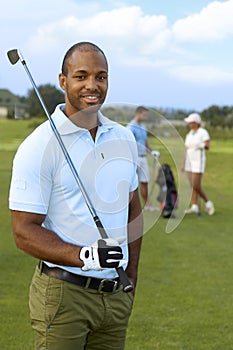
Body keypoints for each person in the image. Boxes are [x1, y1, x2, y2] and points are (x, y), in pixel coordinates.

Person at [9, 42, 143, 350]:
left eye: (101, 76)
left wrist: (132, 273)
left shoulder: (123, 138)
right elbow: (23, 231)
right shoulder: (38, 145)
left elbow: (132, 208)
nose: (92, 85)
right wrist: (85, 255)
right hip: (64, 294)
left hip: (115, 293)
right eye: (81, 76)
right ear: (63, 81)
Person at [127, 106, 159, 211]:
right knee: (132, 183)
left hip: (143, 157)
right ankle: (131, 207)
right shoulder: (131, 127)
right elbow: (128, 144)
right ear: (139, 113)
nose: (145, 117)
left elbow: (144, 142)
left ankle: (147, 205)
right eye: (144, 115)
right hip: (133, 158)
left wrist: (151, 151)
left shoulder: (143, 127)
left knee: (144, 181)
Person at [182, 112, 215, 215]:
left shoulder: (202, 132)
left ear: (196, 122)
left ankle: (208, 203)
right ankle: (194, 206)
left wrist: (199, 145)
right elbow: (186, 149)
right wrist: (183, 163)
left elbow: (207, 146)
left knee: (196, 185)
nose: (189, 124)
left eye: (190, 122)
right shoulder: (189, 134)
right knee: (192, 185)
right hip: (189, 161)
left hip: (198, 162)